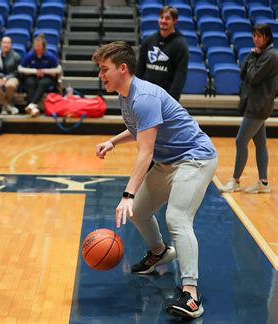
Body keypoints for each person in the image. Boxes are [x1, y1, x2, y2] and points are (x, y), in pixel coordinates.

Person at [92, 41, 217, 319]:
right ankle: (159, 252)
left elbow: (145, 152)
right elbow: (139, 128)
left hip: (195, 158)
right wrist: (113, 142)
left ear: (122, 68)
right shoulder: (126, 95)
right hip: (169, 161)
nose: (101, 75)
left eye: (104, 69)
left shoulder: (143, 97)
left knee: (177, 218)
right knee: (140, 211)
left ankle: (191, 295)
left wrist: (127, 194)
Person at [220, 24, 277, 194]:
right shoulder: (259, 54)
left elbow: (253, 77)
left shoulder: (271, 56)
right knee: (260, 143)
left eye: (259, 36)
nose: (256, 39)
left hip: (258, 106)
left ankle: (235, 180)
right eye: (254, 35)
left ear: (267, 37)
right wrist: (252, 56)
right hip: (254, 104)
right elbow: (242, 73)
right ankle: (264, 182)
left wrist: (252, 58)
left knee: (240, 140)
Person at [136, 6, 189, 101]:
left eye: (167, 18)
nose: (163, 21)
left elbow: (180, 75)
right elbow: (140, 68)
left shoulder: (180, 45)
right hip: (145, 95)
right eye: (161, 17)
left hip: (166, 98)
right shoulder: (148, 40)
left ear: (175, 21)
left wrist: (171, 99)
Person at [18, 35, 62, 117]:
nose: (36, 47)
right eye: (35, 45)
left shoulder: (50, 56)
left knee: (43, 83)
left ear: (43, 47)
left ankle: (31, 104)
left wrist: (44, 71)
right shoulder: (30, 55)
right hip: (33, 75)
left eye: (38, 45)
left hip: (47, 76)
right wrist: (35, 71)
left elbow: (58, 69)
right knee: (29, 82)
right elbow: (20, 68)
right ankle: (33, 108)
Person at [0, 36, 21, 115]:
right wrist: (1, 76)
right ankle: (8, 106)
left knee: (11, 85)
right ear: (1, 44)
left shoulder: (16, 56)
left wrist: (6, 78)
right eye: (4, 43)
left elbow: (17, 71)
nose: (6, 45)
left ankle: (4, 106)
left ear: (11, 45)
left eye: (8, 43)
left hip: (12, 76)